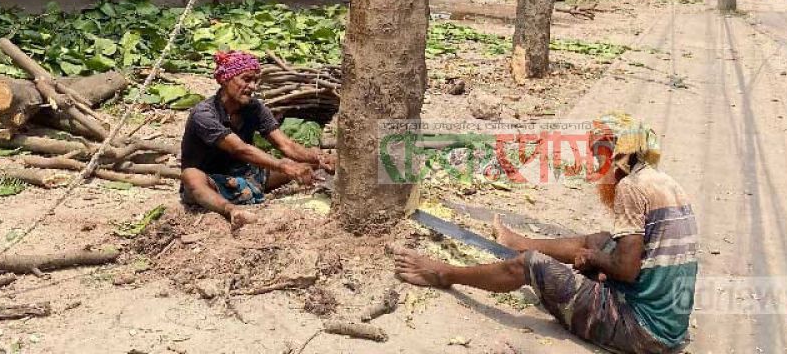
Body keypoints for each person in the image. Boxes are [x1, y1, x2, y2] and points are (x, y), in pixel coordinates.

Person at [393, 114, 698, 354]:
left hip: (641, 332)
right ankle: (516, 240)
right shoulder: (666, 184)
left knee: (530, 264)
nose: (597, 167)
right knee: (600, 239)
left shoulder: (630, 188)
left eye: (600, 156)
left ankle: (446, 275)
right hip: (669, 328)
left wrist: (593, 259)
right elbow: (639, 262)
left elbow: (628, 270)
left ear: (616, 154)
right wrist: (599, 257)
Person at [180, 51, 335, 231]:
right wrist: (284, 166)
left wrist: (318, 158)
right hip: (213, 183)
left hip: (249, 177)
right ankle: (231, 210)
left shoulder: (254, 108)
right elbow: (240, 149)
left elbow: (286, 144)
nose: (252, 86)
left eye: (255, 80)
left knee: (317, 161)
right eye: (246, 79)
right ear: (225, 80)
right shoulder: (204, 114)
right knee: (190, 176)